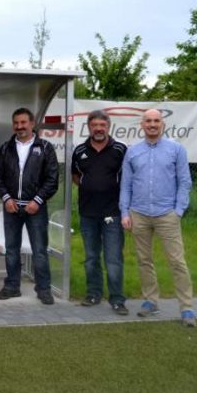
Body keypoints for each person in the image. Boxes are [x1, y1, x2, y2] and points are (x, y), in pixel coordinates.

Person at [120, 109, 196, 327]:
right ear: (142, 125)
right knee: (144, 260)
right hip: (139, 214)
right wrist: (125, 212)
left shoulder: (176, 149)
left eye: (156, 121)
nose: (152, 124)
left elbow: (185, 182)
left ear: (162, 124)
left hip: (167, 214)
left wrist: (178, 210)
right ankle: (150, 302)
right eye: (148, 121)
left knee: (177, 261)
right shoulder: (133, 152)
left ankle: (187, 307)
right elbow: (126, 185)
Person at [0, 107, 59, 305]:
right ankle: (12, 286)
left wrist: (37, 201)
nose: (19, 127)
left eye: (23, 122)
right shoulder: (6, 148)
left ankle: (43, 288)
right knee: (12, 249)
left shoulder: (45, 147)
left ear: (32, 124)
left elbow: (52, 179)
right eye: (16, 123)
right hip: (11, 207)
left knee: (39, 250)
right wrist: (6, 198)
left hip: (35, 208)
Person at [72, 110, 129, 315]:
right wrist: (92, 187)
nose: (98, 129)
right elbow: (76, 177)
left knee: (113, 258)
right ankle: (93, 294)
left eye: (102, 125)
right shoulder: (79, 150)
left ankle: (117, 299)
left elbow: (128, 178)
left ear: (108, 126)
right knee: (91, 257)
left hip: (113, 213)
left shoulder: (120, 149)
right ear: (88, 127)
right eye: (94, 125)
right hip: (88, 213)